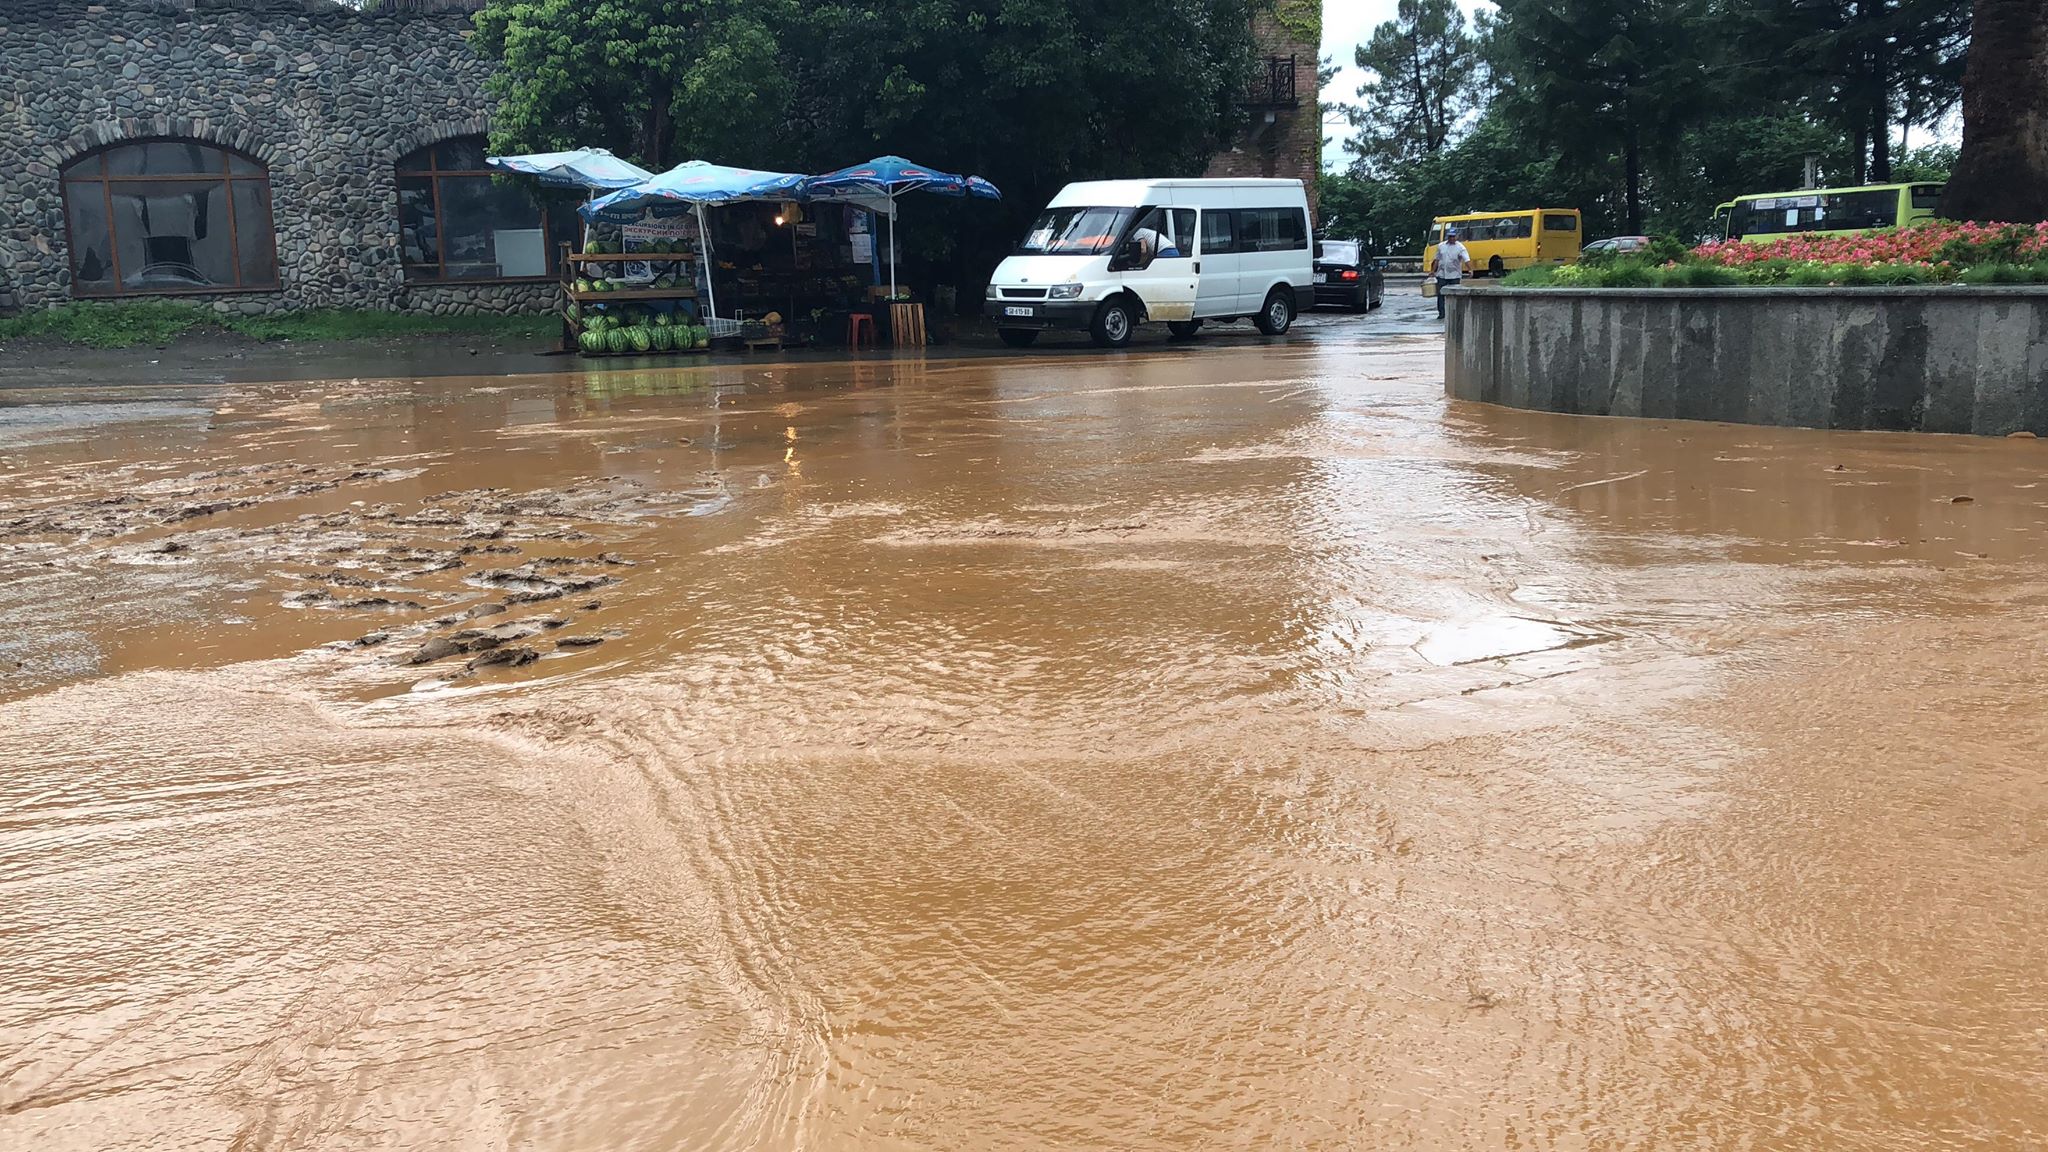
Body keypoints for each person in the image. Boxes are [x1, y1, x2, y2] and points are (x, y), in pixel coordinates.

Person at [1434, 228, 1471, 320]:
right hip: (1442, 274)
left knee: (1455, 295)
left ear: (1456, 237)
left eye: (1453, 237)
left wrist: (1470, 269)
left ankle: (1455, 313)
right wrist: (1433, 271)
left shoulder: (1460, 247)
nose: (1452, 238)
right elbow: (1437, 259)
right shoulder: (1441, 246)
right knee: (1441, 295)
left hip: (1454, 274)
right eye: (1450, 237)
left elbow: (1466, 259)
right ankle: (1442, 314)